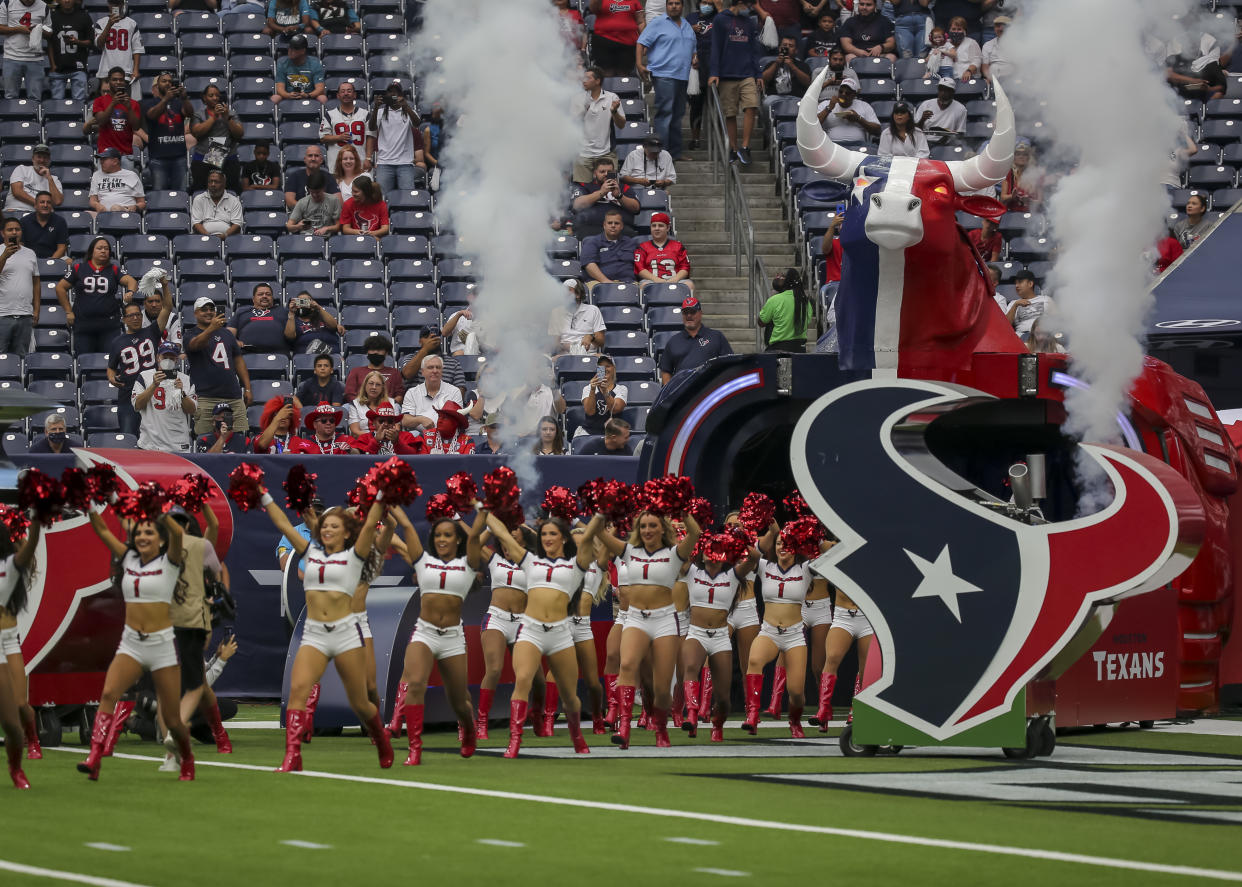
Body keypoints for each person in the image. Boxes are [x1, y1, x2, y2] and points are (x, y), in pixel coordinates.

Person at [257, 484, 392, 772]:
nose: (327, 529)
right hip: (315, 633)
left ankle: (379, 736)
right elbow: (281, 521)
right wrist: (262, 493)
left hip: (345, 633)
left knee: (360, 702)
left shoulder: (355, 556)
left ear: (346, 532)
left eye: (334, 526)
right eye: (324, 525)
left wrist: (381, 493)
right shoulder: (309, 551)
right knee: (298, 691)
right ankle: (292, 755)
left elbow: (371, 523)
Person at [80, 508, 194, 781]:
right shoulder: (129, 557)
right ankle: (95, 756)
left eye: (149, 532)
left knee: (173, 719)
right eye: (139, 532)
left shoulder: (171, 561)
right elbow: (103, 530)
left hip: (162, 646)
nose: (142, 536)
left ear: (161, 539)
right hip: (131, 643)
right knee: (108, 694)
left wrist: (157, 510)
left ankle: (186, 757)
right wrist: (91, 503)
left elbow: (178, 532)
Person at [488, 508, 605, 757]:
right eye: (544, 534)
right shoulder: (530, 561)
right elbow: (503, 535)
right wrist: (483, 508)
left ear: (563, 537)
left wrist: (602, 512)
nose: (548, 538)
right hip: (530, 631)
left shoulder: (576, 565)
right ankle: (515, 741)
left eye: (553, 533)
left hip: (561, 634)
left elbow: (590, 535)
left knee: (570, 696)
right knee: (522, 682)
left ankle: (576, 735)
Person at [386, 505, 486, 764]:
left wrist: (482, 509)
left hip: (452, 637)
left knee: (459, 700)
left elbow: (475, 536)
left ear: (457, 540)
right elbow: (406, 526)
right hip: (425, 632)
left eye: (448, 535)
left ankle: (468, 729)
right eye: (438, 535)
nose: (442, 539)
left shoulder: (467, 564)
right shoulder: (423, 561)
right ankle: (415, 748)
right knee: (415, 684)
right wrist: (389, 502)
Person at [596, 505, 700, 749]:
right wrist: (602, 508)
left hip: (664, 619)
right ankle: (624, 728)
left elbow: (695, 534)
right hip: (635, 618)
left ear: (663, 528)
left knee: (662, 687)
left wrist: (681, 505)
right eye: (643, 526)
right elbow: (600, 534)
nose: (647, 530)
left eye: (653, 525)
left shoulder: (675, 553)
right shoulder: (629, 551)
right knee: (627, 664)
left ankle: (661, 728)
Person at [741, 521, 825, 737]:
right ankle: (752, 715)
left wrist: (813, 535)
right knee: (754, 661)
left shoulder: (805, 569)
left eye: (787, 543)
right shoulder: (764, 566)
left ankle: (794, 721)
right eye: (779, 543)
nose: (782, 547)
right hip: (768, 631)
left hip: (794, 635)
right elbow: (749, 552)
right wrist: (769, 526)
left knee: (796, 693)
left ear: (796, 547)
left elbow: (825, 556)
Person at [160, 503, 225, 767]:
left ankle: (179, 743)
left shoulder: (196, 546)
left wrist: (198, 499)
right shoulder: (157, 546)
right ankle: (176, 738)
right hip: (176, 620)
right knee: (186, 685)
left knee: (183, 685)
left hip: (177, 619)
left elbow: (217, 578)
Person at [676, 533, 758, 740]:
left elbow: (755, 558)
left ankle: (717, 724)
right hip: (696, 633)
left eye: (718, 551)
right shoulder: (692, 572)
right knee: (691, 667)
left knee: (723, 699)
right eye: (709, 551)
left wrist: (738, 542)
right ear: (702, 555)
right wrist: (690, 539)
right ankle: (692, 715)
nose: (713, 555)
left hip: (720, 637)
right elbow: (677, 557)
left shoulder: (732, 576)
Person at [472, 521, 541, 739]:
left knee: (537, 678)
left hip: (523, 622)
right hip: (497, 618)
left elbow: (547, 540)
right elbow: (472, 543)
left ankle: (536, 714)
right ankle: (481, 722)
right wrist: (491, 526)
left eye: (514, 531)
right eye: (507, 531)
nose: (509, 536)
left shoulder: (533, 561)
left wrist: (523, 525)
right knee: (494, 669)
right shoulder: (495, 559)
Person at [0, 514, 43, 783]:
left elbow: (29, 548)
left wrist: (34, 521)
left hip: (7, 640)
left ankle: (19, 760)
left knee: (17, 710)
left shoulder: (9, 567)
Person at [108, 282, 172, 435]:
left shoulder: (152, 331)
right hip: (128, 397)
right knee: (129, 437)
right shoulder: (117, 342)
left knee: (157, 440)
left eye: (138, 314)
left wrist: (164, 285)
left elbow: (167, 308)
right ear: (124, 319)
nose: (135, 318)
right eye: (131, 316)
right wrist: (111, 377)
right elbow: (111, 367)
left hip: (154, 394)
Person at [57, 235, 138, 354]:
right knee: (84, 359)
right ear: (91, 251)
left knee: (109, 359)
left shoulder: (114, 269)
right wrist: (68, 311)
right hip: (83, 324)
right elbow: (60, 288)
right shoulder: (79, 268)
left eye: (106, 248)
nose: (103, 251)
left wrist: (130, 291)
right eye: (99, 248)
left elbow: (131, 281)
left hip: (109, 325)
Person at [637, 0, 696, 160]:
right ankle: (662, 153)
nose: (674, 6)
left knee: (678, 115)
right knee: (665, 114)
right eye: (670, 3)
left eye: (677, 3)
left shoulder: (686, 25)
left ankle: (675, 153)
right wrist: (639, 64)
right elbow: (641, 42)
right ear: (666, 6)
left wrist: (694, 57)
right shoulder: (658, 22)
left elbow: (693, 48)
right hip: (663, 74)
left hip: (682, 75)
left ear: (682, 6)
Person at [186, 296, 252, 434]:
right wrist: (211, 328)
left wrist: (247, 389)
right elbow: (195, 345)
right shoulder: (190, 334)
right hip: (206, 397)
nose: (209, 312)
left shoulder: (227, 334)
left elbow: (238, 360)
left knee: (238, 436)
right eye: (204, 309)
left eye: (211, 309)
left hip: (232, 395)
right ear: (195, 313)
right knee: (205, 438)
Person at [814, 579, 874, 732]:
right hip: (843, 616)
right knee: (832, 658)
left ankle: (856, 710)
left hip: (868, 617)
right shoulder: (838, 553)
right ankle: (823, 710)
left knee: (865, 668)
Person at [709, 0, 762, 165]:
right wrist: (714, 72)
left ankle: (745, 147)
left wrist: (758, 73)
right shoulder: (720, 19)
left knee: (751, 106)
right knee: (730, 114)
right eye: (748, 5)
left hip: (747, 73)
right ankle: (733, 148)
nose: (750, 8)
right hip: (726, 74)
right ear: (739, 2)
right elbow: (715, 47)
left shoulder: (749, 21)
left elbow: (754, 49)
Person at [133, 340, 196, 451]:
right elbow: (137, 405)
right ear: (158, 358)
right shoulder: (144, 377)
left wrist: (182, 393)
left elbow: (191, 410)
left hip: (178, 443)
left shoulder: (185, 380)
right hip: (151, 443)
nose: (168, 361)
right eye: (165, 357)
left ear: (176, 360)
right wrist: (153, 385)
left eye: (171, 358)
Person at [364, 79, 425, 193]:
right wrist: (376, 108)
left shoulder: (408, 111)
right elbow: (372, 128)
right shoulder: (381, 112)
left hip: (405, 163)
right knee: (382, 197)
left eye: (396, 93)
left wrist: (406, 106)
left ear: (401, 95)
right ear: (386, 95)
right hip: (384, 163)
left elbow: (417, 124)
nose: (393, 95)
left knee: (407, 196)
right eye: (390, 92)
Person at [659, 295, 733, 384]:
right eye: (686, 312)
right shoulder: (673, 341)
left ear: (700, 313)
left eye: (693, 312)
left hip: (709, 390)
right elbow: (665, 370)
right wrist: (672, 393)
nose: (689, 316)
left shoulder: (716, 337)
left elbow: (729, 364)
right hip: (684, 392)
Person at [571, 67, 626, 184]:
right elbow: (571, 124)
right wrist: (583, 109)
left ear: (598, 81)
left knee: (611, 190)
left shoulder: (612, 98)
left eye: (587, 78)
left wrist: (614, 112)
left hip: (606, 153)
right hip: (582, 154)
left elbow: (621, 125)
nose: (583, 80)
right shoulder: (577, 98)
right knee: (581, 191)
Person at [189, 84, 244, 193]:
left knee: (230, 193)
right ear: (204, 98)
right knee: (202, 193)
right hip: (202, 161)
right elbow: (196, 132)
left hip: (228, 161)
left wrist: (227, 118)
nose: (215, 98)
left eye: (217, 95)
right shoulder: (198, 115)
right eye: (211, 95)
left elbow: (239, 134)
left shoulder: (230, 114)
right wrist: (214, 117)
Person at [142, 72, 192, 191]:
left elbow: (189, 113)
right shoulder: (149, 103)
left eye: (170, 81)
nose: (168, 83)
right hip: (158, 158)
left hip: (179, 157)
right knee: (159, 194)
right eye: (164, 81)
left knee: (180, 193)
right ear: (157, 86)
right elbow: (152, 115)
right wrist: (166, 99)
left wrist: (184, 98)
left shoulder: (178, 103)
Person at [572, 157, 640, 239]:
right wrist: (601, 192)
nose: (606, 174)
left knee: (630, 234)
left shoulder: (623, 188)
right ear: (595, 173)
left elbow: (636, 208)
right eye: (602, 172)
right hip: (591, 230)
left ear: (614, 172)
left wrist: (619, 196)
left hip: (621, 231)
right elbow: (577, 205)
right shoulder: (585, 186)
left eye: (609, 172)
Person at [0, 216, 39, 359]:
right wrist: (4, 256)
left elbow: (36, 283)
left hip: (25, 315)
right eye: (10, 230)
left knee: (22, 358)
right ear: (3, 233)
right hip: (2, 314)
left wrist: (36, 309)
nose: (14, 232)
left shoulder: (30, 253)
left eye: (17, 229)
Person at [88, 72, 141, 167]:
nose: (118, 82)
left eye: (121, 80)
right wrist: (113, 104)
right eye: (114, 79)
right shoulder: (99, 101)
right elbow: (101, 121)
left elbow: (136, 127)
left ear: (124, 82)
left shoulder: (133, 103)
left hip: (126, 154)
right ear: (109, 82)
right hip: (106, 154)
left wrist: (129, 108)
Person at [46, 0, 93, 102]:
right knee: (56, 104)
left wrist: (77, 42)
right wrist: (52, 65)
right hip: (58, 69)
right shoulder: (52, 17)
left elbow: (91, 42)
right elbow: (50, 43)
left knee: (79, 103)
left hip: (78, 68)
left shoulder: (84, 16)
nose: (67, 0)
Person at [400, 354, 463, 431]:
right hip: (420, 437)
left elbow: (457, 419)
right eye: (430, 367)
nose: (435, 371)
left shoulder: (454, 391)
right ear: (422, 372)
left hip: (446, 435)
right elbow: (405, 420)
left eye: (438, 367)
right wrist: (420, 419)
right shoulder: (412, 393)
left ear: (442, 371)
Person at [817, 73, 880, 147]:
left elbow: (877, 131)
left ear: (854, 95)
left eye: (848, 93)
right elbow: (813, 126)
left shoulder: (864, 106)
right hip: (832, 145)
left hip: (858, 145)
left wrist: (859, 119)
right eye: (841, 92)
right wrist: (828, 108)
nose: (843, 94)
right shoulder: (826, 104)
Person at [581, 208, 640, 287]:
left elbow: (640, 265)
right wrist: (605, 281)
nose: (613, 226)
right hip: (598, 283)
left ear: (622, 226)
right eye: (610, 223)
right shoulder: (592, 242)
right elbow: (589, 265)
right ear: (604, 225)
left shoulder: (631, 243)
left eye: (616, 223)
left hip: (628, 283)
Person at [0, 0, 46, 100]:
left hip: (35, 59)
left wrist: (38, 30)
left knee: (35, 98)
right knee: (10, 97)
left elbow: (50, 31)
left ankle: (35, 116)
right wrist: (19, 29)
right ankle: (10, 116)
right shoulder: (7, 3)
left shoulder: (44, 6)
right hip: (12, 57)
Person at [92, 1, 142, 94]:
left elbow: (137, 48)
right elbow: (99, 44)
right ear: (108, 4)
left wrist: (135, 70)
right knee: (106, 104)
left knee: (123, 104)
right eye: (112, 3)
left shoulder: (131, 23)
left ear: (122, 4)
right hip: (106, 72)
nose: (115, 6)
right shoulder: (101, 23)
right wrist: (109, 25)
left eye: (117, 3)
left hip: (125, 72)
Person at [759, 266, 811, 353]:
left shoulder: (774, 300)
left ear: (789, 281)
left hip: (778, 350)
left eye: (782, 276)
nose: (777, 277)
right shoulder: (806, 302)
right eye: (777, 275)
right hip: (800, 350)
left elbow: (761, 322)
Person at [319, 80, 369, 170]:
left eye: (349, 91)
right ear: (338, 96)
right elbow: (323, 137)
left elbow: (371, 138)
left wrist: (368, 158)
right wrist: (338, 138)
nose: (346, 94)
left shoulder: (365, 114)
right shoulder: (330, 115)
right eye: (342, 91)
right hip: (337, 165)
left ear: (355, 95)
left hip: (360, 163)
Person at [634, 212, 691, 290]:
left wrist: (675, 279)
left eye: (661, 225)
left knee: (689, 284)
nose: (657, 228)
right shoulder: (642, 247)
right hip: (651, 281)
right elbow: (640, 268)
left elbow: (685, 267)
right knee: (644, 285)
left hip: (675, 280)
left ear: (667, 228)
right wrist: (656, 280)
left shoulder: (678, 246)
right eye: (654, 226)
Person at [228, 282, 289, 354]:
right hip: (247, 354)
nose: (264, 296)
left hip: (278, 354)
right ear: (253, 299)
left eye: (268, 294)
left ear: (272, 298)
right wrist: (235, 342)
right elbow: (229, 333)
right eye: (260, 294)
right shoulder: (242, 311)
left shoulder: (283, 311)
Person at [587, 0, 643, 78]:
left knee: (624, 75)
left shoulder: (634, 1)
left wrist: (644, 41)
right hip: (604, 42)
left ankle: (623, 89)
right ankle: (606, 90)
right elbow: (593, 9)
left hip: (628, 44)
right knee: (606, 74)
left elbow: (640, 22)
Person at [578, 354, 627, 439]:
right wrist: (592, 389)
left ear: (614, 369)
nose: (605, 369)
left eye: (608, 366)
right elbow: (590, 412)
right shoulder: (588, 388)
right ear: (598, 370)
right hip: (589, 433)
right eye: (601, 367)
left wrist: (605, 391)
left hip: (613, 435)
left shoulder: (621, 389)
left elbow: (615, 410)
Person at [343, 332, 404, 401]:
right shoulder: (355, 372)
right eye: (372, 349)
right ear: (367, 352)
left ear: (386, 353)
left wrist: (386, 405)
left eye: (379, 350)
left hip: (387, 408)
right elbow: (349, 394)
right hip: (360, 407)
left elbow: (399, 395)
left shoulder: (394, 372)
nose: (376, 352)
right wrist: (365, 404)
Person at [553, 279, 606, 355]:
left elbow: (601, 342)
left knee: (604, 361)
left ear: (578, 294)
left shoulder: (593, 310)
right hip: (565, 355)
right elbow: (555, 345)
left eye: (568, 290)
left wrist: (591, 337)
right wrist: (564, 346)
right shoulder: (557, 312)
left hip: (589, 355)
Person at [3, 145, 63, 213]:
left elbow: (57, 201)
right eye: (39, 157)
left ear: (49, 161)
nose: (42, 160)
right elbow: (17, 192)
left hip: (39, 217)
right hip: (16, 211)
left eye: (45, 158)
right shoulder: (21, 169)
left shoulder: (54, 179)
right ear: (33, 159)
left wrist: (49, 178)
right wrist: (39, 205)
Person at [352, 403, 427, 455]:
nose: (386, 424)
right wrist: (376, 440)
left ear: (394, 424)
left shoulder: (406, 436)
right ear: (374, 423)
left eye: (390, 421)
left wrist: (397, 442)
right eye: (381, 421)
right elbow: (363, 460)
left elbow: (412, 456)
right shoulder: (365, 438)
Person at [272, 33, 326, 105]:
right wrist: (288, 95)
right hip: (289, 95)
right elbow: (279, 89)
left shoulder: (315, 63)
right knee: (275, 98)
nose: (291, 50)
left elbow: (320, 88)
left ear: (303, 50)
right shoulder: (282, 63)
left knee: (323, 98)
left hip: (309, 95)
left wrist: (308, 95)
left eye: (295, 48)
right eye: (290, 47)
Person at [89, 147, 146, 214]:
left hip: (125, 214)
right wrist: (97, 205)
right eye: (101, 159)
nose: (101, 162)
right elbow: (92, 200)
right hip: (103, 214)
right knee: (85, 216)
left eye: (104, 159)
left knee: (115, 208)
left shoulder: (131, 175)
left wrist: (135, 207)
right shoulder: (96, 175)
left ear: (115, 161)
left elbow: (142, 203)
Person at [190, 169, 243, 239]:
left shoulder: (234, 200)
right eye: (210, 181)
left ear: (224, 183)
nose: (213, 184)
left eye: (216, 182)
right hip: (203, 238)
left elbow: (237, 224)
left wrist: (224, 236)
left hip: (228, 238)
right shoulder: (199, 199)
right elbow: (196, 223)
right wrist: (209, 237)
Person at [915, 77, 967, 146]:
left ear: (953, 92)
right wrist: (922, 119)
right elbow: (916, 130)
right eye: (940, 89)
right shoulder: (926, 105)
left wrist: (950, 136)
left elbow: (961, 134)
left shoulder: (961, 109)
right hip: (925, 142)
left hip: (948, 144)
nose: (943, 93)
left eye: (946, 90)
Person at [284, 290, 340, 354]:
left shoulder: (322, 316)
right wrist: (291, 313)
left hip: (332, 355)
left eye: (306, 301)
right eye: (300, 301)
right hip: (307, 358)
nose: (303, 304)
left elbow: (333, 325)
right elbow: (289, 336)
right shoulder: (294, 320)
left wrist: (318, 307)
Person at [284, 144, 338, 209]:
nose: (313, 159)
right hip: (300, 216)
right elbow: (290, 202)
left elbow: (338, 201)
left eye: (316, 156)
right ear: (305, 159)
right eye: (310, 156)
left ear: (321, 160)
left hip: (324, 215)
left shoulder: (329, 177)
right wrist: (308, 210)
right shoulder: (294, 176)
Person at [290, 401, 356, 454]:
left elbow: (358, 455)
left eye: (332, 420)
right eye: (324, 421)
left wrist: (350, 450)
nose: (328, 423)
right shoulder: (304, 444)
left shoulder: (346, 440)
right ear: (315, 425)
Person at [345, 369, 395, 437]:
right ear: (365, 385)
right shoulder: (355, 404)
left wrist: (383, 437)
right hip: (364, 441)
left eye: (378, 385)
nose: (374, 387)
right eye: (371, 383)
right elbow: (355, 431)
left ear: (382, 388)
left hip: (387, 440)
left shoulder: (392, 403)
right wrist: (375, 436)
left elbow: (396, 428)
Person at [20, 192, 69, 261]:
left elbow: (62, 248)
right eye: (42, 202)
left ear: (51, 206)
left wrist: (50, 261)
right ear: (35, 205)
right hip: (29, 259)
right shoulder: (24, 221)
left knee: (69, 262)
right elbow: (21, 246)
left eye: (48, 202)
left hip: (54, 257)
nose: (45, 205)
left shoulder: (60, 221)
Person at [761, 36, 812, 101]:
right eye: (784, 45)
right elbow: (763, 80)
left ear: (796, 50)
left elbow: (807, 82)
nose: (787, 47)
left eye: (790, 46)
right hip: (774, 98)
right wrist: (776, 64)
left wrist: (792, 66)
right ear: (780, 48)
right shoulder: (772, 64)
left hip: (796, 98)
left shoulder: (803, 65)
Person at [999, 139, 1044, 213]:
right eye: (1018, 154)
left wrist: (1029, 201)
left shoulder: (1036, 174)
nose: (1021, 157)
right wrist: (1012, 197)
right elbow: (1002, 198)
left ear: (1028, 157)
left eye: (1025, 154)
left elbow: (1040, 201)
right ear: (1014, 157)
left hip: (1031, 216)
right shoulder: (1008, 173)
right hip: (1011, 215)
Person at [1008, 269, 1052, 341]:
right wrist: (1015, 306)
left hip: (1044, 337)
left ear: (1030, 284)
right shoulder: (1013, 303)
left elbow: (1058, 321)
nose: (1016, 285)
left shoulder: (1046, 299)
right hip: (1022, 338)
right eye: (1015, 283)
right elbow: (1005, 325)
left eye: (1020, 282)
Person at [980, 14, 1012, 82]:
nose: (1000, 29)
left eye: (1003, 26)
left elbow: (1019, 66)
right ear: (994, 28)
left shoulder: (1017, 45)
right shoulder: (987, 45)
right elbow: (985, 66)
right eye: (997, 26)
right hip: (993, 79)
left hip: (1011, 80)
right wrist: (988, 77)